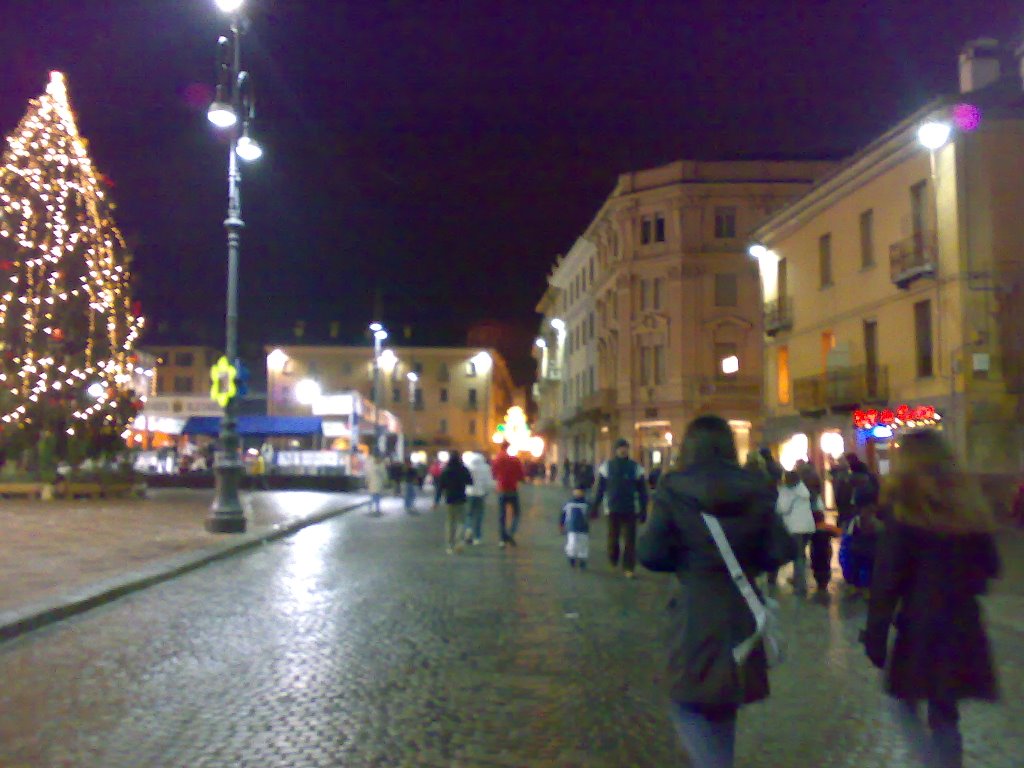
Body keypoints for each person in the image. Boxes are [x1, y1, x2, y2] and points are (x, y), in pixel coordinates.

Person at [638, 415, 795, 768]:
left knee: (687, 702)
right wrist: (748, 560)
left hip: (695, 612)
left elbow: (649, 553)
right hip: (741, 611)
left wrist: (686, 561)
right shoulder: (755, 486)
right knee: (724, 700)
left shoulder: (674, 487)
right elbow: (782, 549)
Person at [864, 429, 1000, 768]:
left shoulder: (905, 510)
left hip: (922, 625)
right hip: (963, 623)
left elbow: (887, 579)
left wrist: (876, 635)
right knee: (945, 712)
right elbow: (989, 568)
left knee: (900, 702)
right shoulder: (969, 508)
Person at [592, 438, 648, 579]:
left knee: (630, 540)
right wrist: (595, 507)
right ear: (616, 450)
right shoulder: (606, 467)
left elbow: (642, 491)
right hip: (612, 508)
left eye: (625, 447)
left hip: (630, 509)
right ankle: (613, 558)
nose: (623, 450)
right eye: (620, 447)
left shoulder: (636, 468)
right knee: (613, 537)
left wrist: (643, 509)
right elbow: (600, 489)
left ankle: (629, 567)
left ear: (628, 450)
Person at [775, 469, 817, 595]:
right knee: (801, 555)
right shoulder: (803, 489)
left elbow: (782, 508)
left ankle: (800, 586)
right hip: (808, 527)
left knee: (797, 556)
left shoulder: (787, 491)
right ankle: (799, 580)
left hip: (795, 528)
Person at [437, 451, 473, 554]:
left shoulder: (446, 470)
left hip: (449, 499)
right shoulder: (463, 469)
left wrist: (436, 501)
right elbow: (470, 482)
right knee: (461, 521)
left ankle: (449, 544)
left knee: (450, 522)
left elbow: (440, 487)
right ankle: (458, 541)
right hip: (461, 498)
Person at [491, 441, 526, 547]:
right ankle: (511, 533)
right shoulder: (515, 460)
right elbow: (521, 476)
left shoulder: (496, 459)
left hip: (501, 490)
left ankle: (502, 539)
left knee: (502, 515)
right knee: (516, 514)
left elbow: (493, 474)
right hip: (512, 490)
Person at [465, 452, 494, 545]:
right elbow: (488, 482)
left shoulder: (468, 467)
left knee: (469, 514)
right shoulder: (486, 468)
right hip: (481, 494)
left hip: (469, 493)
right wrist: (487, 492)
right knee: (479, 516)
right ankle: (477, 537)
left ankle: (468, 529)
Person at [560, 485, 591, 569]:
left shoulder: (586, 504)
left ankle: (582, 560)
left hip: (583, 529)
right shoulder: (569, 503)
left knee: (583, 544)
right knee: (572, 543)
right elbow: (563, 515)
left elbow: (591, 514)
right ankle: (572, 557)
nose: (578, 493)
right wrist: (562, 524)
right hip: (572, 528)